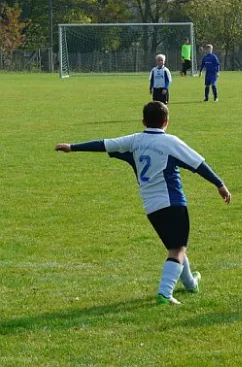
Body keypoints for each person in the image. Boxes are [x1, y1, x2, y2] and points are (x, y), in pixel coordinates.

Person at [55, 101, 232, 306]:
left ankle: (191, 284)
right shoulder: (170, 142)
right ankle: (164, 294)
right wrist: (219, 184)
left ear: (143, 121)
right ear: (166, 121)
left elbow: (103, 144)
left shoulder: (134, 141)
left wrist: (73, 147)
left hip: (151, 207)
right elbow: (198, 165)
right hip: (172, 202)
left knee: (176, 246)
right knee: (177, 249)